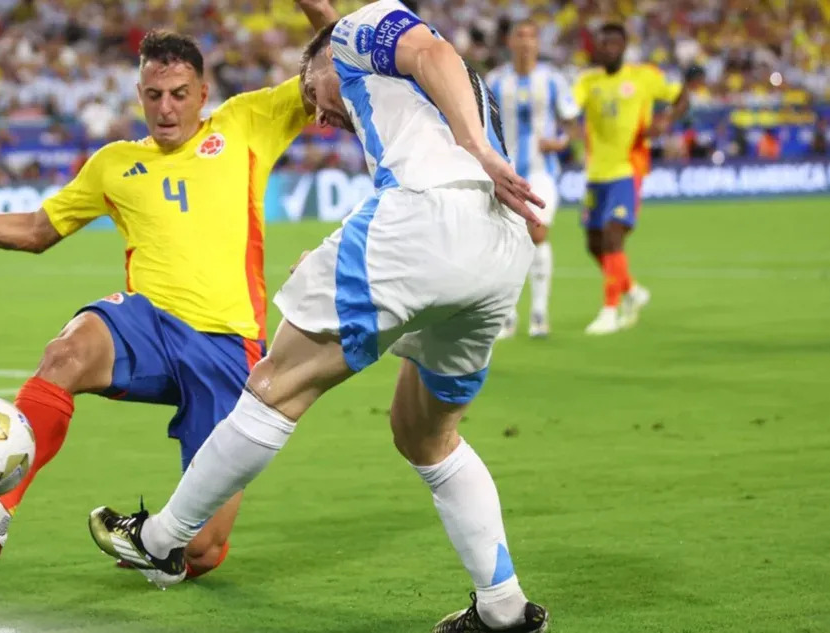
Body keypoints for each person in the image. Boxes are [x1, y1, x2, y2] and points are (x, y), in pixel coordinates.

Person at [87, 2, 550, 631]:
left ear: (330, 57)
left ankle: (162, 539)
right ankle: (503, 608)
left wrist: (478, 153)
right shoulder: (420, 91)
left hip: (429, 219)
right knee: (426, 435)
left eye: (312, 90)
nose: (322, 114)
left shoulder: (366, 32)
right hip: (498, 252)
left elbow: (416, 50)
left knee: (275, 384)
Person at [0, 24, 322, 580]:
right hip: (148, 325)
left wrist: (315, 12)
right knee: (65, 353)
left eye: (179, 94)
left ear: (203, 95)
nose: (166, 108)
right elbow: (35, 229)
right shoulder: (114, 164)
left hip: (227, 347)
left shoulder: (247, 123)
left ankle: (155, 541)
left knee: (201, 552)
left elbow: (333, 63)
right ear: (139, 94)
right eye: (154, 95)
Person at [572, 23, 688, 335]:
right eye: (603, 43)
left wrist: (666, 120)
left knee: (612, 234)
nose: (609, 48)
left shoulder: (644, 76)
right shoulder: (587, 81)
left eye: (614, 43)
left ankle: (610, 309)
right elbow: (569, 108)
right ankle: (632, 291)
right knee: (594, 243)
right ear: (596, 48)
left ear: (624, 46)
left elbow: (682, 96)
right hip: (596, 173)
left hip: (628, 168)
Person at [487, 19, 580, 339]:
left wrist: (561, 142)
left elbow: (571, 125)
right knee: (505, 241)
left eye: (531, 37)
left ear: (538, 44)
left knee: (536, 232)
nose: (526, 42)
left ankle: (539, 313)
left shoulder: (553, 79)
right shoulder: (496, 80)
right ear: (510, 42)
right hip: (505, 173)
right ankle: (507, 315)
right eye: (520, 36)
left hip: (543, 171)